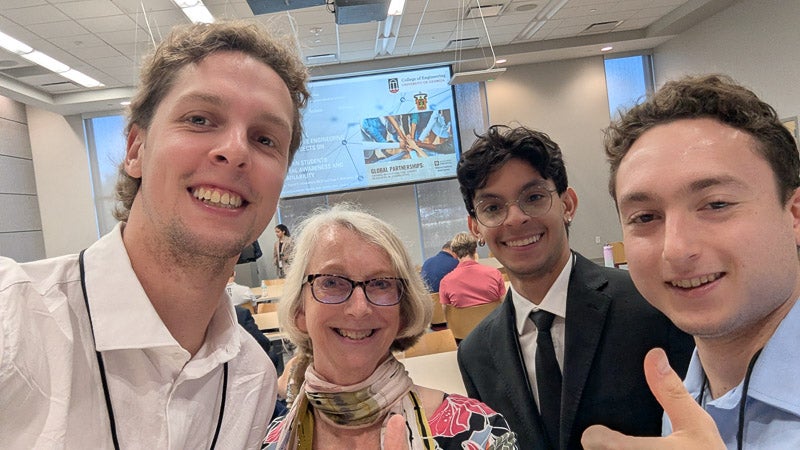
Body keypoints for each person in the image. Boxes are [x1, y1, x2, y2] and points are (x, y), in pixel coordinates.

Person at [0, 20, 309, 448]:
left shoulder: (252, 380)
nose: (236, 150)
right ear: (135, 150)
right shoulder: (14, 320)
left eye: (265, 139)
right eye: (200, 119)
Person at [581, 74, 800, 449]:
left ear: (794, 214)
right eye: (645, 218)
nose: (676, 249)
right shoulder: (682, 400)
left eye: (716, 205)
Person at [455, 124, 695, 449]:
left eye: (534, 197)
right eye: (493, 208)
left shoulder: (649, 304)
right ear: (476, 228)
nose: (514, 219)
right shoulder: (476, 353)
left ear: (567, 205)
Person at [262, 204, 517, 449]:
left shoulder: (481, 435)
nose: (359, 308)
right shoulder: (262, 440)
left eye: (381, 283)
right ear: (299, 311)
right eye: (331, 282)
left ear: (403, 313)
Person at [439, 232, 506, 307]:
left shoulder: (445, 282)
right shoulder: (495, 274)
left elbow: (447, 313)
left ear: (455, 254)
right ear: (475, 250)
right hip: (494, 318)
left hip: (463, 319)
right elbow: (505, 304)